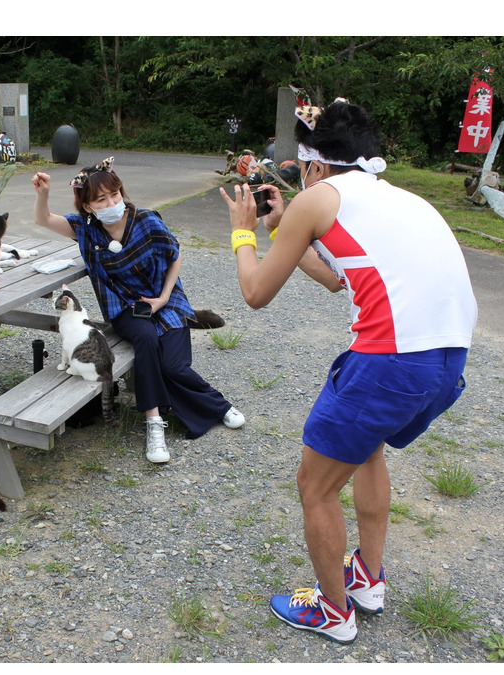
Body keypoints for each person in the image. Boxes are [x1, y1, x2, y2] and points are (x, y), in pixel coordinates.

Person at [221, 100, 478, 645]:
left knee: (314, 487)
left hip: (390, 361)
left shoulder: (315, 199)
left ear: (313, 164)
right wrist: (281, 228)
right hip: (447, 360)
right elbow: (339, 276)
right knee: (367, 449)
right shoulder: (400, 197)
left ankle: (334, 614)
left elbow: (254, 293)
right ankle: (367, 581)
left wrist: (245, 231)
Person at [32, 156, 245, 464]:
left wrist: (162, 298)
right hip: (125, 307)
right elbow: (43, 219)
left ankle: (219, 405)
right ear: (89, 206)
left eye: (115, 194)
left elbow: (175, 256)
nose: (112, 202)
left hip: (166, 300)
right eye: (101, 199)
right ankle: (153, 423)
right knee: (146, 340)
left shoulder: (146, 220)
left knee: (172, 365)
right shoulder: (85, 229)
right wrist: (43, 194)